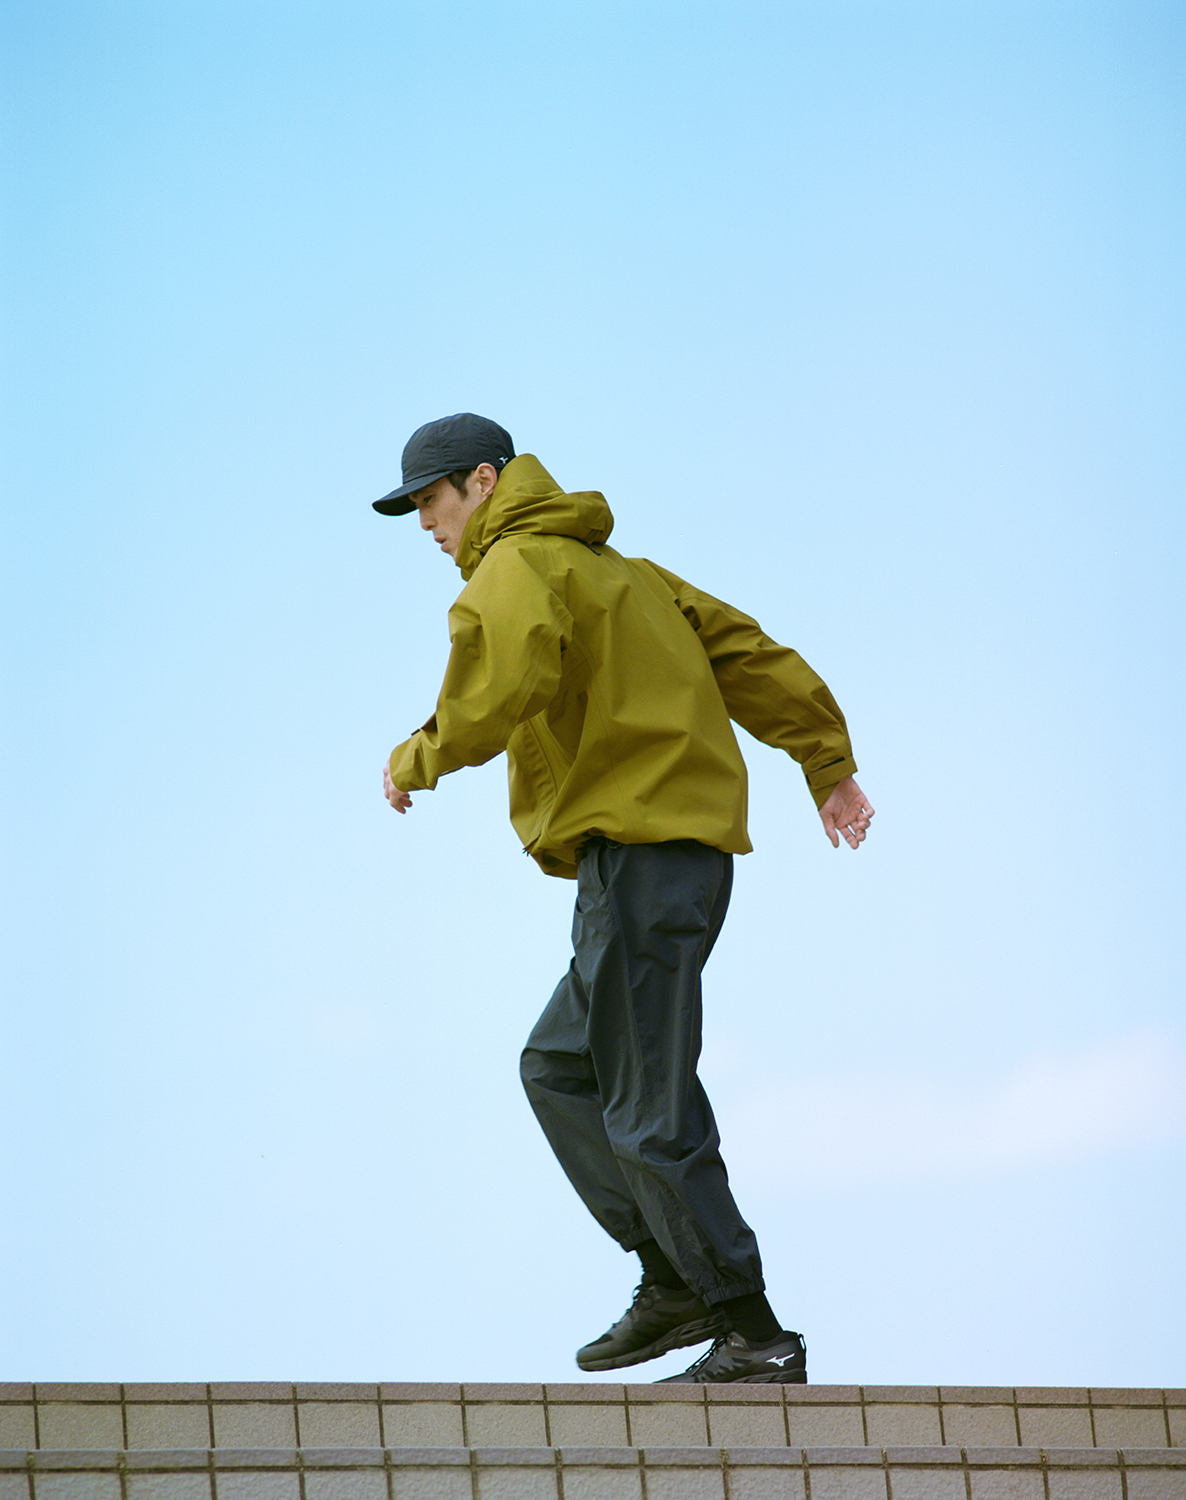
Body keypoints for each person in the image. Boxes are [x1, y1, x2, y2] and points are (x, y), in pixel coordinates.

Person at [375, 413, 873, 1384]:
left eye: (431, 501)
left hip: (642, 857)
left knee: (647, 1106)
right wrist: (827, 762)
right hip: (664, 862)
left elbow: (499, 679)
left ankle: (752, 1330)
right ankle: (675, 1279)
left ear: (483, 482)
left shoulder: (515, 567)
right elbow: (751, 655)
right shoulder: (628, 576)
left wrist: (418, 755)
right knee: (560, 1063)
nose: (427, 525)